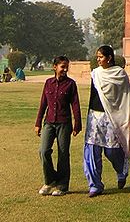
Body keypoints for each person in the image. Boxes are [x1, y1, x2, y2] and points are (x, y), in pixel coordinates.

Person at [83, 45, 130, 198]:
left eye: (100, 57)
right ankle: (95, 185)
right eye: (97, 57)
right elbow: (93, 96)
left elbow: (125, 98)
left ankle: (121, 170)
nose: (98, 59)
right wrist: (89, 117)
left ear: (109, 58)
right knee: (91, 151)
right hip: (95, 115)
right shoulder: (95, 74)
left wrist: (127, 117)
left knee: (111, 151)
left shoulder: (120, 75)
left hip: (112, 116)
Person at [34, 55, 82, 196]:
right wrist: (38, 123)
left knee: (63, 154)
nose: (65, 69)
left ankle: (62, 185)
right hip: (49, 122)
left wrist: (77, 124)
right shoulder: (48, 83)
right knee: (43, 151)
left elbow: (75, 105)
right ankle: (50, 181)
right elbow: (43, 104)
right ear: (55, 67)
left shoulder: (71, 84)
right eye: (62, 66)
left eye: (67, 66)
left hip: (64, 123)